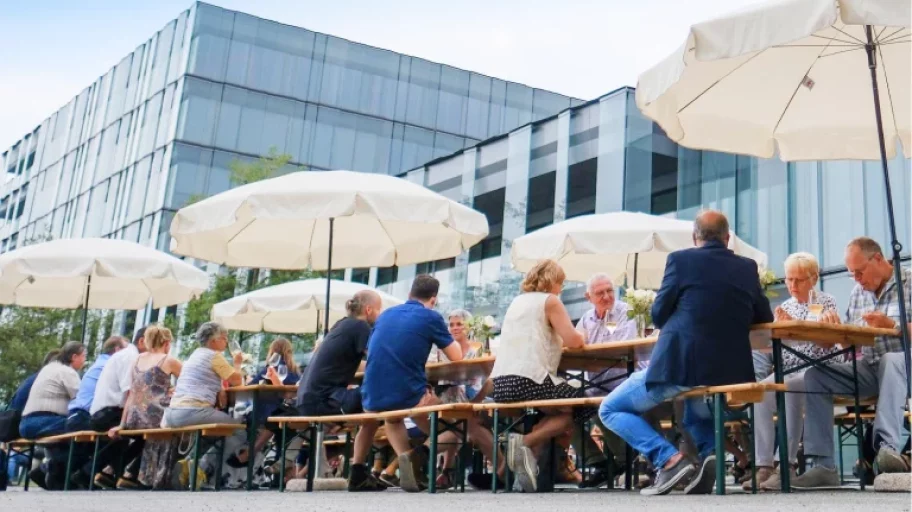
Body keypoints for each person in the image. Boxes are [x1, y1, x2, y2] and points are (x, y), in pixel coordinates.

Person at [599, 210, 773, 496]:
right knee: (691, 412)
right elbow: (763, 315)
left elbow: (658, 314)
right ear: (728, 238)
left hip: (680, 365)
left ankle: (668, 459)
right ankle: (709, 455)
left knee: (610, 408)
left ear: (695, 238)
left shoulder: (680, 260)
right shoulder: (747, 267)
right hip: (731, 370)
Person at [793, 237, 911, 488]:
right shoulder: (858, 293)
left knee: (891, 360)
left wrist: (894, 326)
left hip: (905, 364)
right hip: (870, 368)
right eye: (852, 274)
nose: (857, 279)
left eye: (860, 272)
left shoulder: (908, 282)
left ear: (878, 259)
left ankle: (885, 450)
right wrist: (837, 333)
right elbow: (851, 346)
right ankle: (823, 465)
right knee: (814, 376)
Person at [487, 259, 587, 493]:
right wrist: (582, 336)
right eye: (561, 283)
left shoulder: (517, 301)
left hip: (501, 383)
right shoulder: (550, 301)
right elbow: (573, 340)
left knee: (547, 414)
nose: (561, 289)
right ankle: (525, 443)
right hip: (529, 379)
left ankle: (526, 474)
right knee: (575, 406)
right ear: (552, 281)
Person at [746, 252, 841, 491]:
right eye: (789, 279)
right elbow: (773, 344)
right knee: (761, 392)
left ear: (813, 278)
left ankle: (786, 465)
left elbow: (822, 342)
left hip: (816, 369)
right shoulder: (784, 307)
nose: (792, 285)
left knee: (790, 388)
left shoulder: (824, 301)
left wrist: (790, 330)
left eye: (798, 280)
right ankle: (764, 465)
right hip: (788, 369)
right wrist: (777, 331)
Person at [361, 275, 463, 493]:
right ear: (433, 299)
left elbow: (374, 353)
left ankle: (410, 466)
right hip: (409, 393)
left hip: (372, 395)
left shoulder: (386, 315)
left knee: (392, 418)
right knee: (455, 430)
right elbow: (457, 356)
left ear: (409, 293)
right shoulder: (430, 317)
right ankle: (416, 456)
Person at [296, 290, 385, 491]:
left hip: (307, 398)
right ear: (369, 309)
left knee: (373, 408)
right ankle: (365, 470)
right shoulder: (361, 327)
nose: (381, 315)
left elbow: (360, 363)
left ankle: (360, 472)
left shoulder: (342, 325)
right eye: (380, 310)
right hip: (324, 400)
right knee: (379, 402)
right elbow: (377, 358)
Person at [569, 273, 639, 488]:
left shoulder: (626, 311)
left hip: (625, 381)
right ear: (588, 297)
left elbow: (625, 350)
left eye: (610, 290)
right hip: (596, 385)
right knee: (565, 408)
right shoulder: (587, 318)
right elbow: (574, 349)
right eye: (600, 293)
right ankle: (597, 461)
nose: (607, 296)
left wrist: (590, 357)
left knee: (602, 403)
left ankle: (626, 461)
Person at [162, 322, 246, 486]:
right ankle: (202, 467)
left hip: (172, 412)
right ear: (213, 341)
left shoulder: (195, 355)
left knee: (215, 430)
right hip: (192, 410)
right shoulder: (214, 356)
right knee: (239, 430)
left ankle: (190, 462)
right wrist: (237, 362)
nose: (226, 341)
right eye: (224, 338)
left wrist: (220, 388)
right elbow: (237, 381)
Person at [431, 309, 505, 491]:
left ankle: (443, 467)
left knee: (467, 420)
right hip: (451, 397)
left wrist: (475, 402)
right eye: (452, 324)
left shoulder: (477, 348)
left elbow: (485, 377)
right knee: (466, 419)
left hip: (475, 397)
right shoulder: (443, 350)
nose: (455, 328)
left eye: (459, 324)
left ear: (468, 327)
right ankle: (502, 470)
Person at [108, 325, 182, 489]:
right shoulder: (168, 360)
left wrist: (122, 423)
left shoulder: (137, 359)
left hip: (134, 414)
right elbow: (190, 382)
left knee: (157, 433)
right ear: (167, 343)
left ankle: (128, 472)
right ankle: (147, 476)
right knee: (175, 430)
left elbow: (133, 393)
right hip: (153, 414)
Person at [19, 342, 87, 490]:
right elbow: (81, 400)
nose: (85, 360)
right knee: (86, 432)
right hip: (44, 421)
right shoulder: (67, 372)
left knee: (69, 440)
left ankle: (58, 479)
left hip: (27, 423)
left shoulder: (48, 368)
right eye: (84, 356)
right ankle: (46, 468)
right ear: (74, 356)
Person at [89, 326, 149, 489]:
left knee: (145, 432)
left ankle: (108, 473)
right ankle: (125, 475)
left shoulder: (127, 354)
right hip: (108, 413)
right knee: (152, 432)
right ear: (142, 341)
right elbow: (130, 392)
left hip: (104, 411)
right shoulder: (131, 357)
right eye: (154, 342)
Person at [64, 336, 128, 489]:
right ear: (118, 350)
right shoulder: (110, 365)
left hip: (74, 416)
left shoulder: (99, 364)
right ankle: (89, 474)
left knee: (115, 435)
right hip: (84, 416)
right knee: (122, 435)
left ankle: (98, 475)